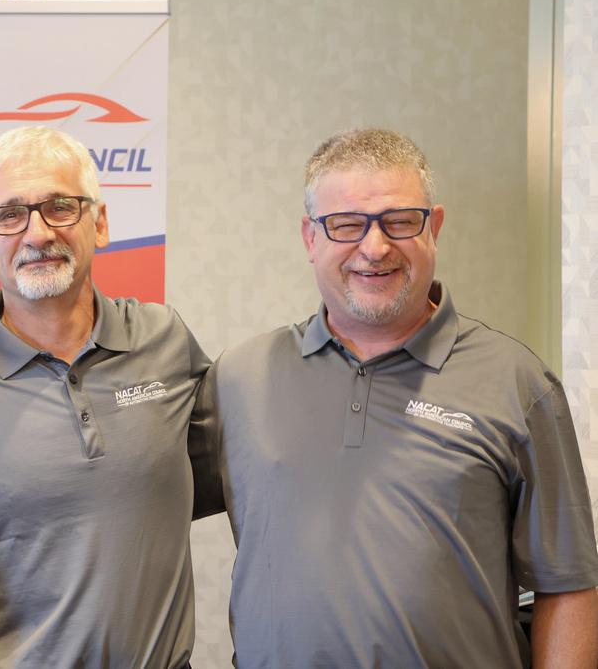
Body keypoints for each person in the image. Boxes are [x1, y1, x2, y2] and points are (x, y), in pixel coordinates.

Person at [200, 128, 598, 667]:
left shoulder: (518, 383)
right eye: (347, 224)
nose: (375, 247)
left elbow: (569, 586)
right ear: (310, 238)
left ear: (434, 227)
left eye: (400, 221)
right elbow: (133, 501)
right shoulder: (240, 379)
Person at [0, 126, 219, 668]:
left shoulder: (166, 342)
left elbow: (227, 480)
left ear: (99, 223)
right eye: (9, 215)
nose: (37, 234)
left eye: (60, 207)